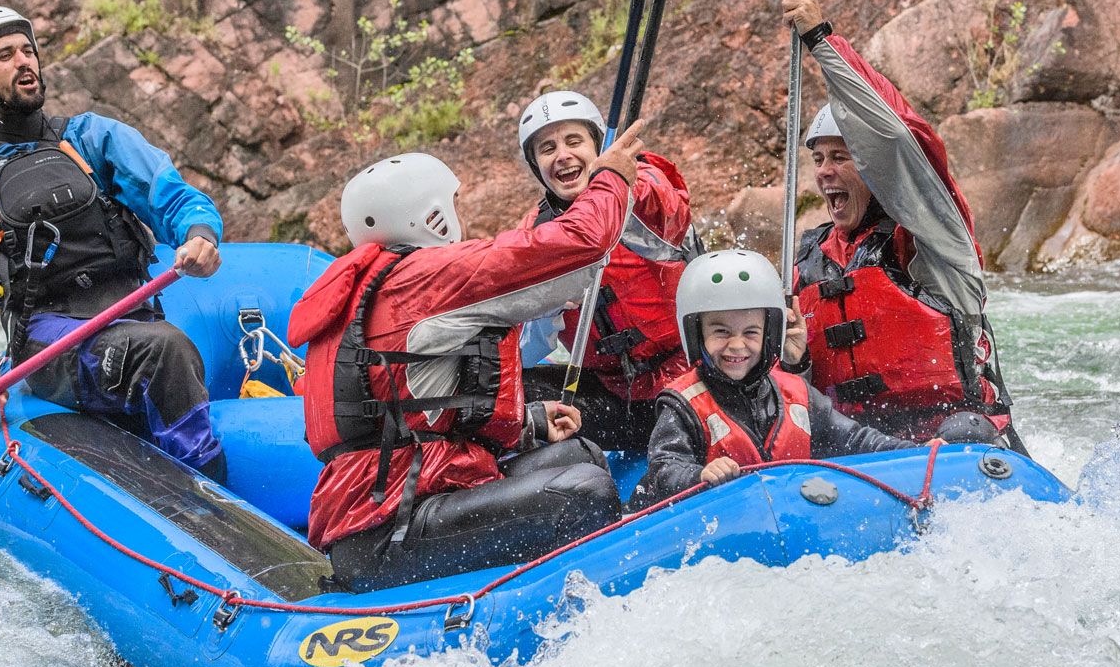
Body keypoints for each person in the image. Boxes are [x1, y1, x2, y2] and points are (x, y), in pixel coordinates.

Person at [289, 124, 649, 592]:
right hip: (386, 531)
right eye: (453, 205)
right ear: (431, 216)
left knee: (581, 452)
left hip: (407, 495)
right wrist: (611, 180)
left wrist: (530, 423)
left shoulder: (381, 284)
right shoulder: (425, 280)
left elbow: (414, 410)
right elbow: (579, 248)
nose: (460, 217)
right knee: (583, 491)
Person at [0, 6, 229, 479]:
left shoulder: (94, 138)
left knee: (155, 344)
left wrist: (200, 234)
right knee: (163, 351)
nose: (25, 61)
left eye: (28, 50)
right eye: (5, 55)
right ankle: (209, 503)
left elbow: (172, 198)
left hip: (130, 313)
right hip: (45, 339)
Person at [778, 0, 1025, 452]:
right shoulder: (807, 257)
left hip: (956, 437)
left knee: (962, 434)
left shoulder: (932, 237)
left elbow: (897, 138)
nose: (826, 171)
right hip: (860, 448)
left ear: (868, 165)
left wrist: (821, 40)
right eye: (819, 159)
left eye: (842, 157)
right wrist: (794, 361)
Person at [632, 249, 914, 506]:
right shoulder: (682, 404)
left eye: (750, 332)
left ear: (769, 334)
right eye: (721, 332)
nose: (737, 346)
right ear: (696, 335)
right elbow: (665, 467)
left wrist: (912, 452)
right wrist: (698, 475)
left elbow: (857, 440)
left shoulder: (798, 394)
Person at [513, 91, 702, 450]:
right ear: (537, 166)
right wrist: (546, 304)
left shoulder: (643, 183)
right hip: (615, 397)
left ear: (599, 146)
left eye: (574, 141)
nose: (563, 156)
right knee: (511, 389)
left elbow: (669, 221)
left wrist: (613, 186)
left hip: (690, 381)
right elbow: (525, 346)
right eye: (548, 149)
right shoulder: (535, 233)